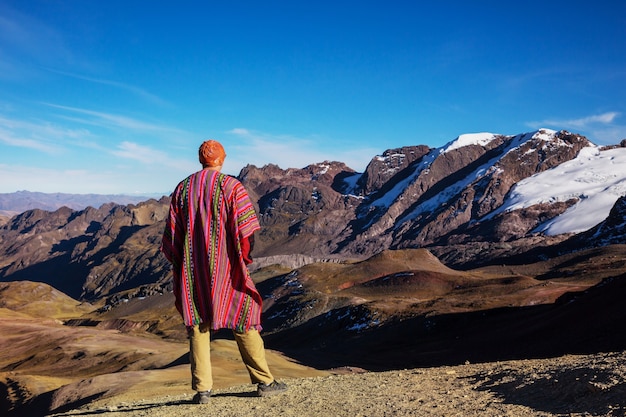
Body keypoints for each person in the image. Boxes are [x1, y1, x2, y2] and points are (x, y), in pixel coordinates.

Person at [161, 139, 287, 404]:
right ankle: (264, 381)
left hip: (193, 271)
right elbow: (247, 231)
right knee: (244, 315)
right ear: (222, 159)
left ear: (200, 159)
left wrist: (179, 263)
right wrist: (244, 258)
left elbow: (172, 237)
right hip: (228, 269)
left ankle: (202, 390)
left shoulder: (182, 189)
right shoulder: (232, 187)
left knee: (197, 323)